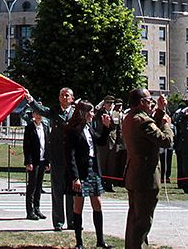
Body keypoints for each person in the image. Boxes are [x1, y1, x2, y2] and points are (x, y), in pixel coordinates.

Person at [122, 89, 173, 249]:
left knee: (134, 219)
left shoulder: (131, 117)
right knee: (142, 222)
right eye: (150, 100)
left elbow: (150, 130)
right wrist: (167, 125)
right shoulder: (142, 121)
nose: (151, 103)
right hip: (146, 178)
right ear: (142, 102)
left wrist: (160, 110)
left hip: (135, 176)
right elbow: (165, 141)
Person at [26, 87, 77, 231]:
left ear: (72, 98)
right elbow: (42, 110)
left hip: (71, 159)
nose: (64, 97)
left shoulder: (76, 113)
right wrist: (30, 100)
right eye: (62, 95)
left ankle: (72, 221)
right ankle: (59, 222)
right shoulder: (55, 112)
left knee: (71, 192)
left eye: (67, 95)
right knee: (58, 191)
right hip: (57, 158)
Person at [65, 100, 111, 249]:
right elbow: (70, 155)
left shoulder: (89, 127)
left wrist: (106, 128)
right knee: (78, 206)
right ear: (83, 113)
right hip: (80, 171)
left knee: (97, 203)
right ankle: (79, 242)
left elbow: (101, 142)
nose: (92, 114)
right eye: (90, 112)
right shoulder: (74, 130)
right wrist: (75, 177)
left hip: (93, 169)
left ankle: (100, 240)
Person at [24, 110, 50, 220]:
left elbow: (48, 144)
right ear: (33, 115)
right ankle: (30, 211)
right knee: (32, 185)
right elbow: (27, 146)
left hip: (43, 159)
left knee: (39, 185)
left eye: (40, 114)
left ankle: (37, 208)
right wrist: (28, 162)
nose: (39, 116)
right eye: (37, 114)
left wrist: (48, 161)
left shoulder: (45, 127)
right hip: (34, 161)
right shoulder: (29, 128)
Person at [95, 97, 121, 192]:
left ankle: (109, 185)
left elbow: (118, 130)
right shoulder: (99, 114)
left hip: (112, 142)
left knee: (111, 165)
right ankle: (101, 184)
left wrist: (118, 143)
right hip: (103, 142)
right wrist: (99, 107)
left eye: (111, 103)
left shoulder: (116, 114)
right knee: (102, 164)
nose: (110, 104)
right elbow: (94, 114)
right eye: (108, 102)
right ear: (104, 103)